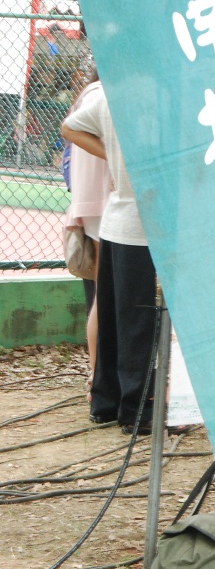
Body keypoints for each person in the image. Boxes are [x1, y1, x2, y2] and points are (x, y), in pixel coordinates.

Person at [61, 85, 157, 435]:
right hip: (145, 222)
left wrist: (111, 156)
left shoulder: (108, 94)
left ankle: (105, 401)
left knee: (115, 314)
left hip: (117, 215)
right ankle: (136, 409)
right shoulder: (162, 96)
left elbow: (69, 127)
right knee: (138, 321)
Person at [63, 69, 112, 400]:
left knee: (102, 293)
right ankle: (97, 378)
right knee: (105, 294)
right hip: (103, 204)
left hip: (96, 203)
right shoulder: (100, 96)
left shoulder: (90, 94)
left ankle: (98, 377)